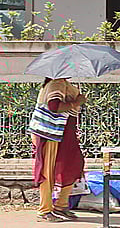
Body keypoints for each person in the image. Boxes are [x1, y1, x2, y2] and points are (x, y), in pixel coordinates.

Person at [28, 78, 87, 222]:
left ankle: (61, 206)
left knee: (73, 166)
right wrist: (77, 102)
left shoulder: (63, 84)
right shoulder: (57, 83)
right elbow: (54, 106)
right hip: (51, 134)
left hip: (63, 135)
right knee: (47, 171)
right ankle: (45, 210)